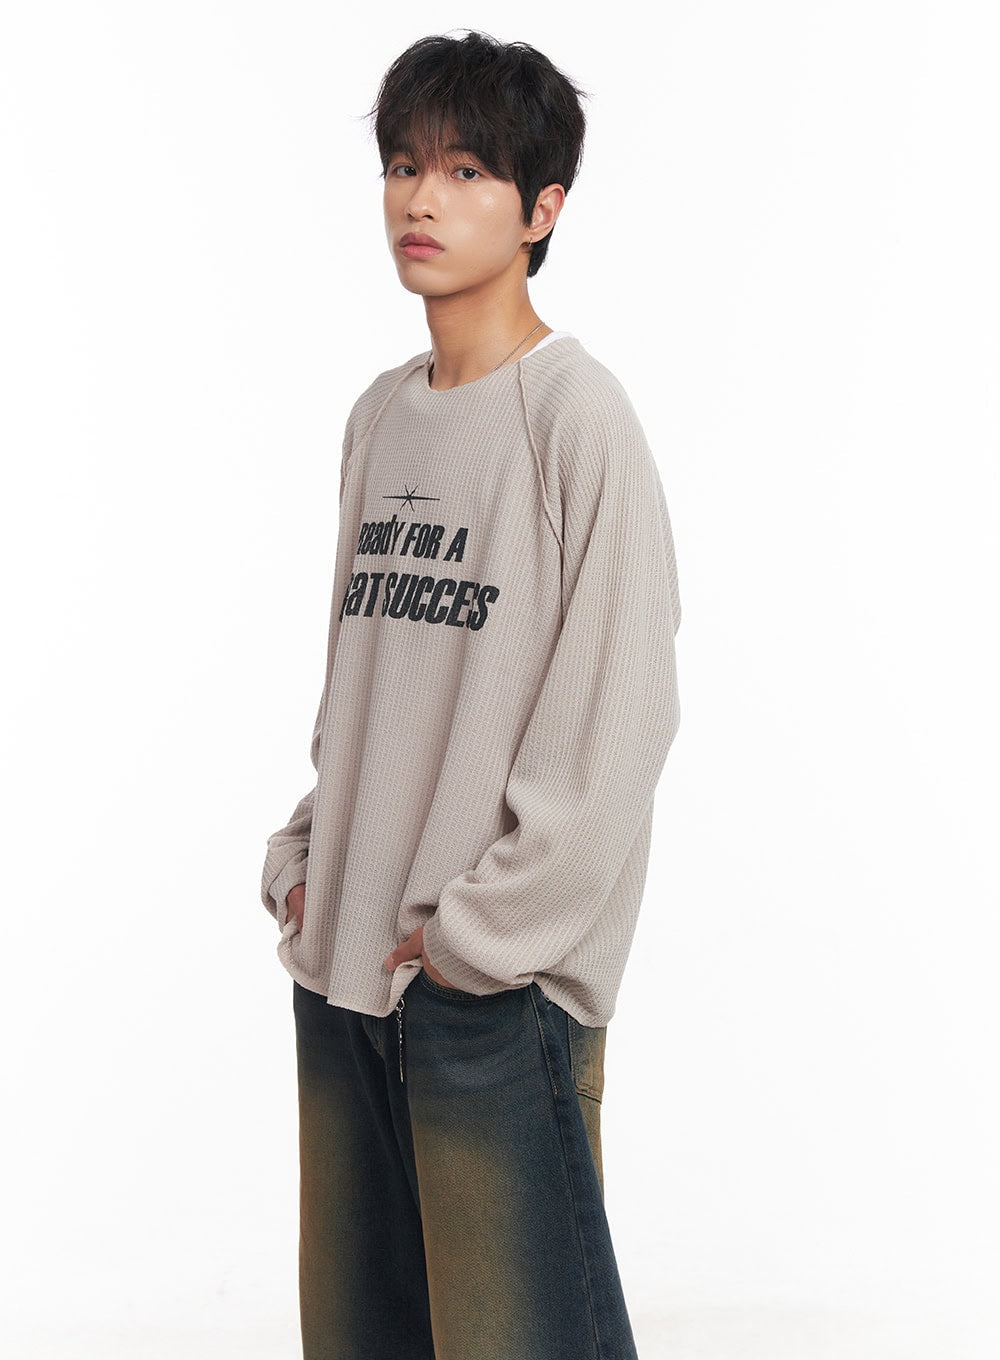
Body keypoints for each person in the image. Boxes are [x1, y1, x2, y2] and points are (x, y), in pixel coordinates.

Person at [260, 28, 682, 1360]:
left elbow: (621, 718)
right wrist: (310, 857)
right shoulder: (381, 417)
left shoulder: (576, 420)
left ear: (542, 208)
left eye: (464, 171)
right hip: (346, 977)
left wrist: (477, 940)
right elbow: (365, 681)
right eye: (403, 165)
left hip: (493, 998)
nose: (421, 200)